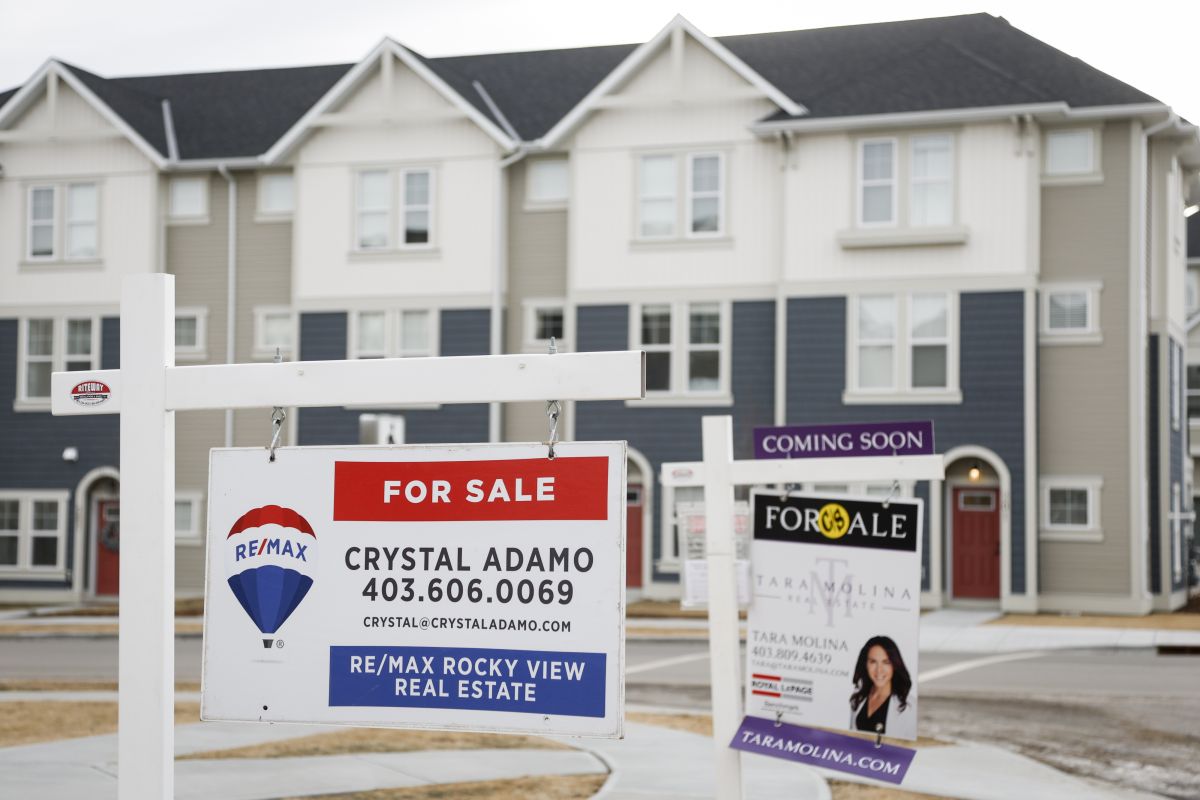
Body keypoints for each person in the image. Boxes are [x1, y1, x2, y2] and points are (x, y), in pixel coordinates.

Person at [848, 635, 915, 739]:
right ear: (865, 664)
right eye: (873, 662)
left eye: (886, 662)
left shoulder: (909, 706)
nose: (879, 670)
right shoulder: (858, 698)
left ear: (894, 665)